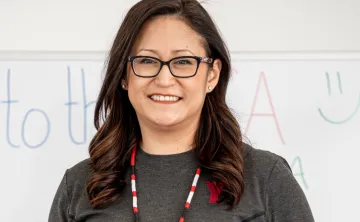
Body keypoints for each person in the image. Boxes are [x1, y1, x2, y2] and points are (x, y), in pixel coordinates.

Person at [49, 0, 315, 221]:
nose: (164, 79)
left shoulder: (266, 178)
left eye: (184, 61)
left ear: (212, 75)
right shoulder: (79, 185)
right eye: (146, 60)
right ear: (124, 76)